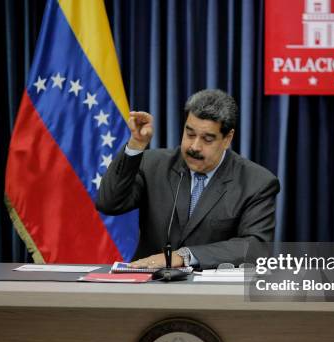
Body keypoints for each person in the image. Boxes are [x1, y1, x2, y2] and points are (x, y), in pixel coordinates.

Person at [96, 89, 280, 269]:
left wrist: (185, 256)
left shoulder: (256, 183)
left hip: (212, 293)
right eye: (190, 134)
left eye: (207, 139)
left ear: (227, 138)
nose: (194, 146)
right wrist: (136, 145)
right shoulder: (153, 165)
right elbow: (109, 203)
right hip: (149, 287)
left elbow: (256, 246)